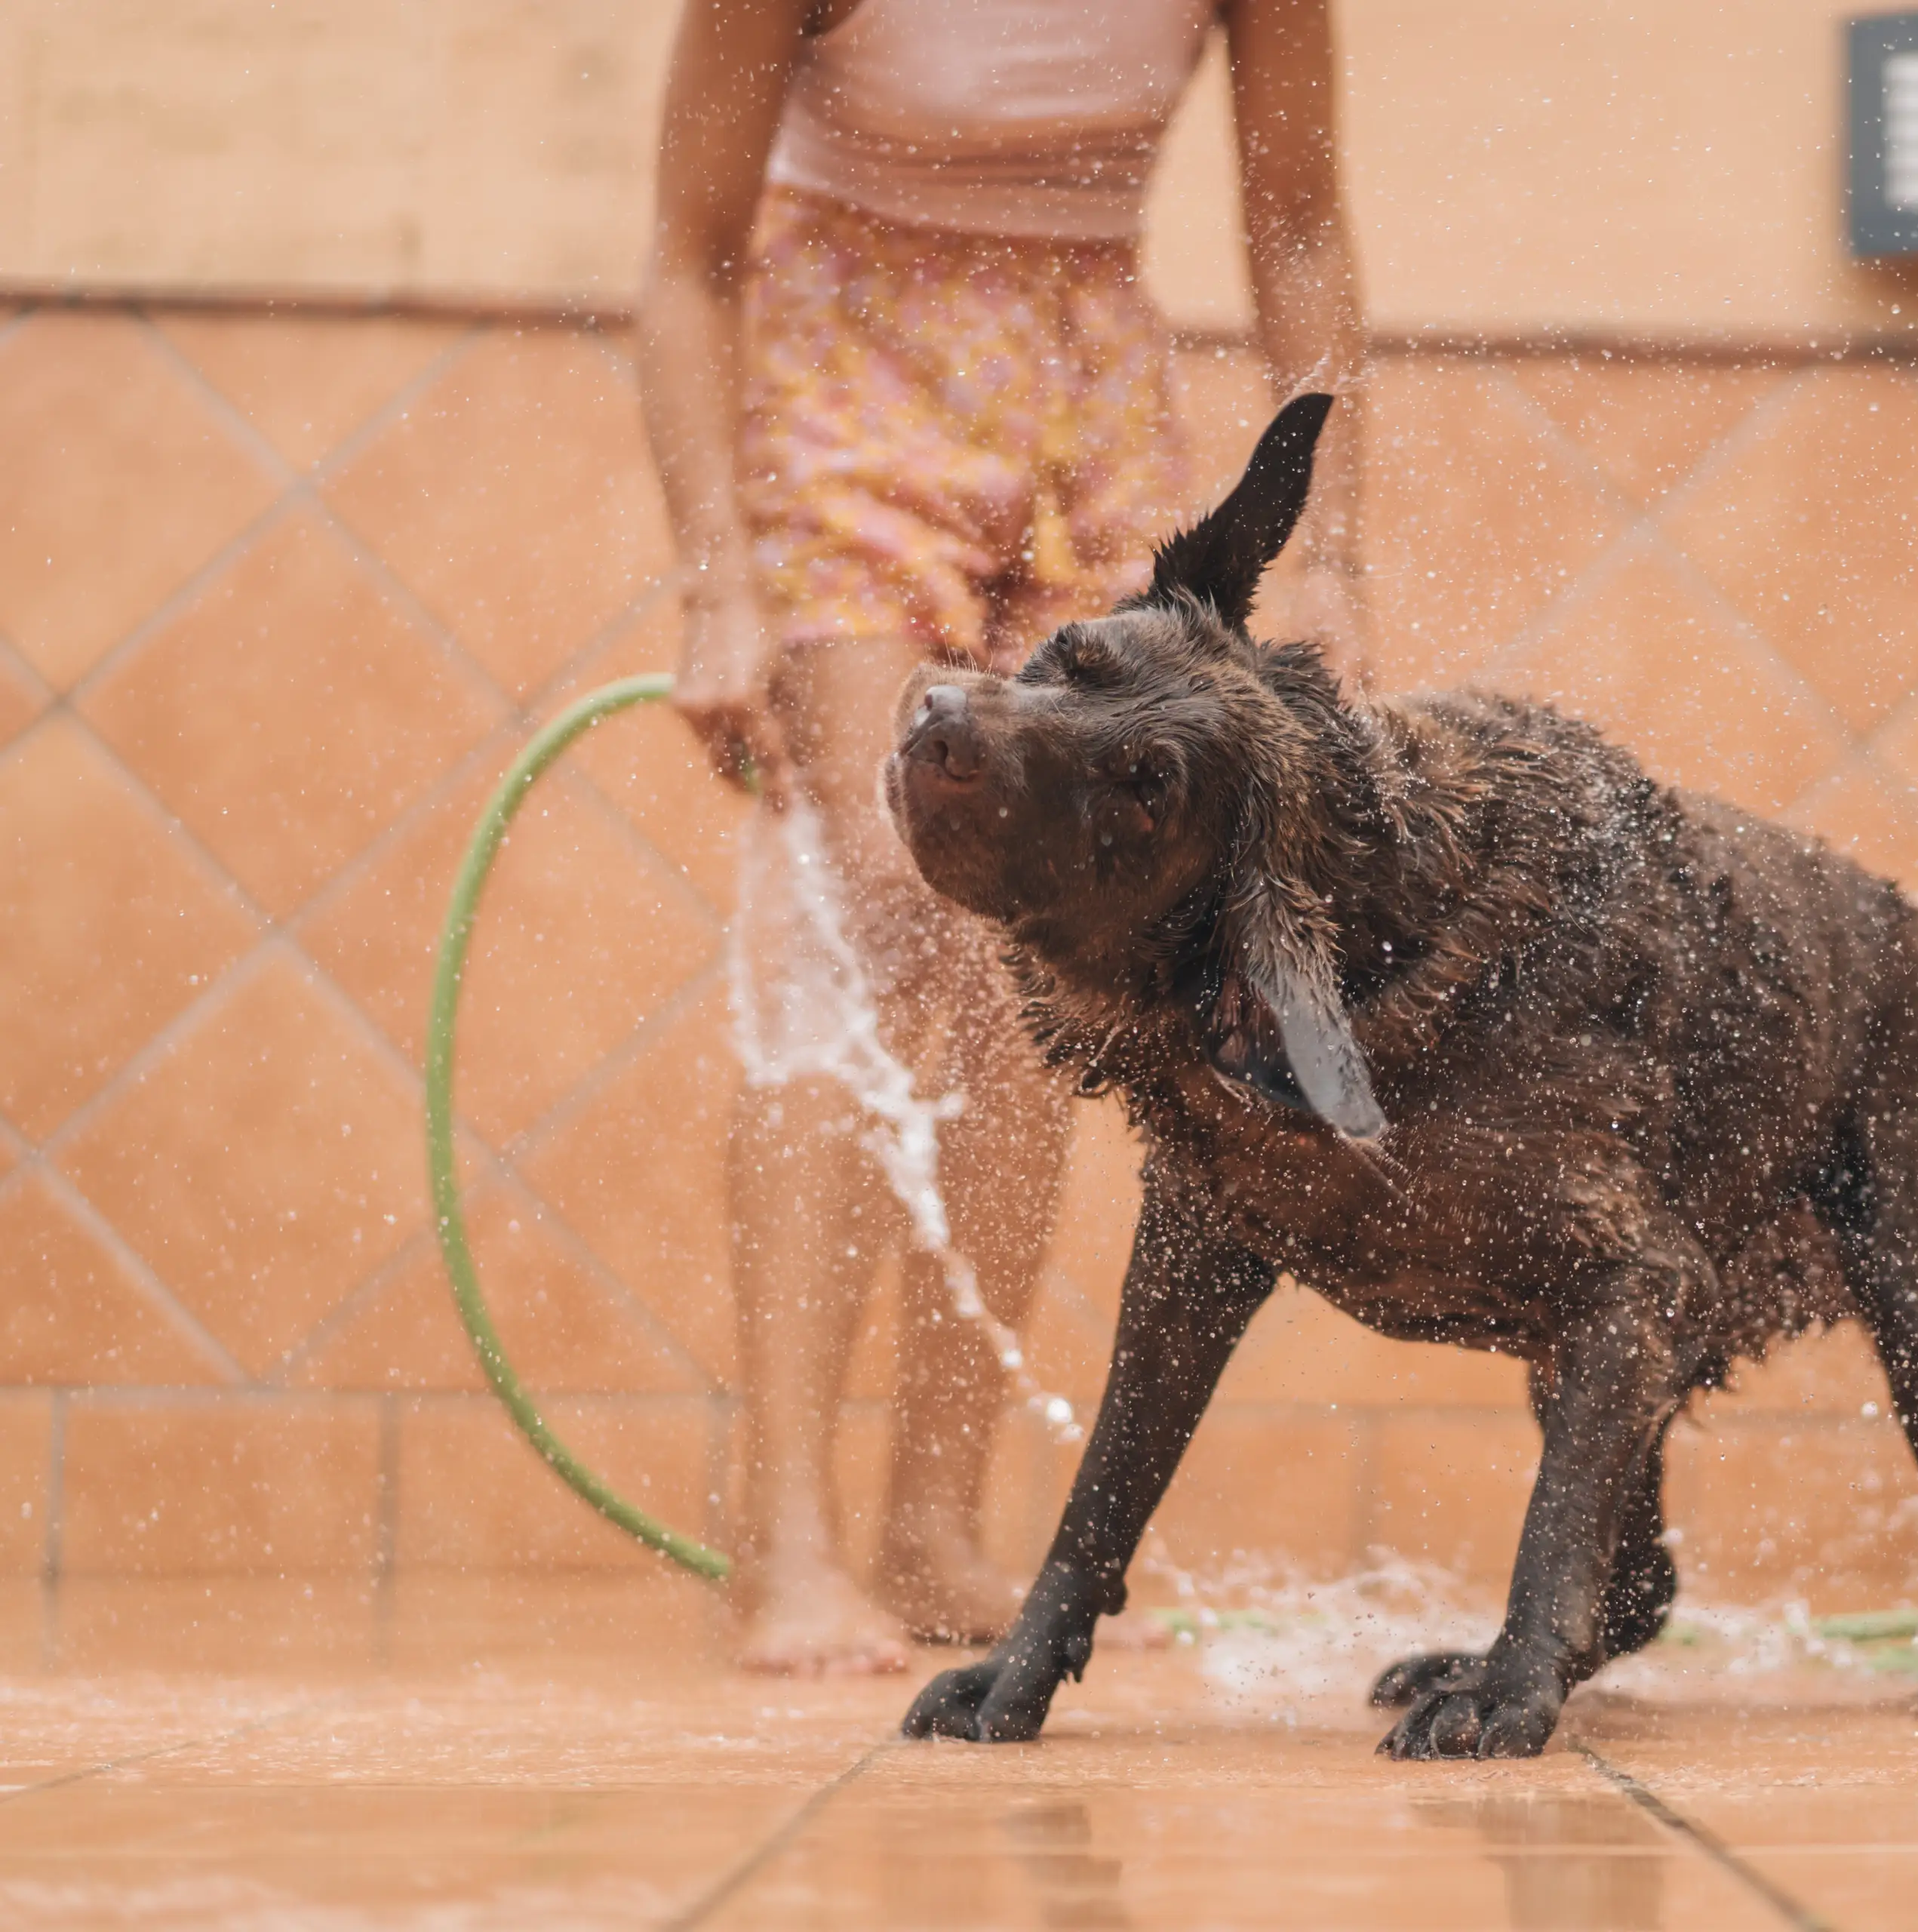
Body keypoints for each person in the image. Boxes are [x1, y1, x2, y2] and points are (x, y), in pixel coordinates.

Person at [637, 0, 1369, 1674]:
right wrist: (718, 584)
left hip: (1089, 375)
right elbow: (687, 256)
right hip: (848, 369)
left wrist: (1334, 561)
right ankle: (788, 1540)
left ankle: (932, 1521)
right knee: (881, 928)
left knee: (1042, 966)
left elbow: (1301, 218)